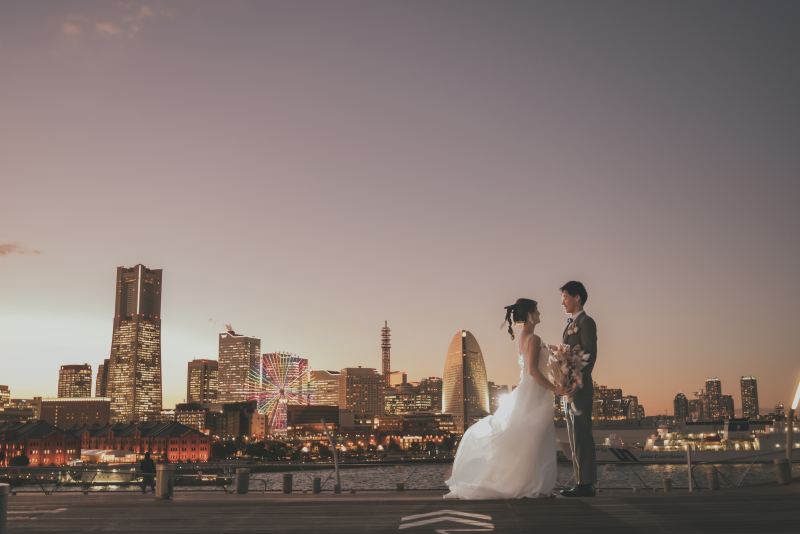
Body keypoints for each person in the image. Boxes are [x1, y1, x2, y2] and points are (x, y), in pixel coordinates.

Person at [444, 298, 572, 499]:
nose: (540, 314)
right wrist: (556, 388)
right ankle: (535, 485)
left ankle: (533, 484)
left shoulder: (524, 337)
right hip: (536, 391)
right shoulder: (535, 338)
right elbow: (533, 372)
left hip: (528, 390)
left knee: (529, 438)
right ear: (530, 314)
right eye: (537, 311)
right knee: (536, 438)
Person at [557, 281, 598, 497]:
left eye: (565, 296)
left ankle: (587, 484)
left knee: (582, 433)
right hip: (569, 388)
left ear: (577, 297)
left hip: (580, 388)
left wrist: (576, 382)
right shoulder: (570, 324)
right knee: (573, 435)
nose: (562, 301)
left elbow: (589, 354)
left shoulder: (586, 322)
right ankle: (581, 481)